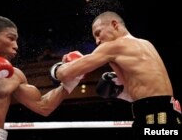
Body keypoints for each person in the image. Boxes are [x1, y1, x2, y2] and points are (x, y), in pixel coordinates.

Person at [51, 11, 181, 139]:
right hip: (171, 116)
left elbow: (65, 74)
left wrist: (57, 69)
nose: (97, 41)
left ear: (114, 24)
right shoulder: (146, 44)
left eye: (98, 33)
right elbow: (148, 89)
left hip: (154, 119)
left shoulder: (113, 46)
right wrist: (118, 86)